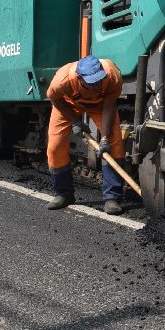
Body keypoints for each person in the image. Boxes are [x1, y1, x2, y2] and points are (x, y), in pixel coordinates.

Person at [44, 55, 125, 214]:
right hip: (68, 105)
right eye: (92, 82)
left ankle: (112, 198)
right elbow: (55, 100)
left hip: (100, 106)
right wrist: (75, 121)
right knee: (55, 147)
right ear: (80, 79)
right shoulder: (62, 81)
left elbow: (109, 105)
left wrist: (105, 138)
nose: (98, 85)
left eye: (99, 80)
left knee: (114, 144)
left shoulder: (113, 75)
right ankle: (63, 194)